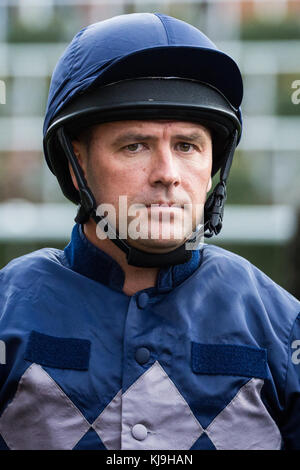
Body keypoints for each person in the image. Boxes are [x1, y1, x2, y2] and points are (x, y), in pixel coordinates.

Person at [0, 12, 299, 451]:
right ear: (75, 161)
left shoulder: (281, 324)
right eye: (134, 145)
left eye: (187, 146)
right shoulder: (8, 312)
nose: (167, 174)